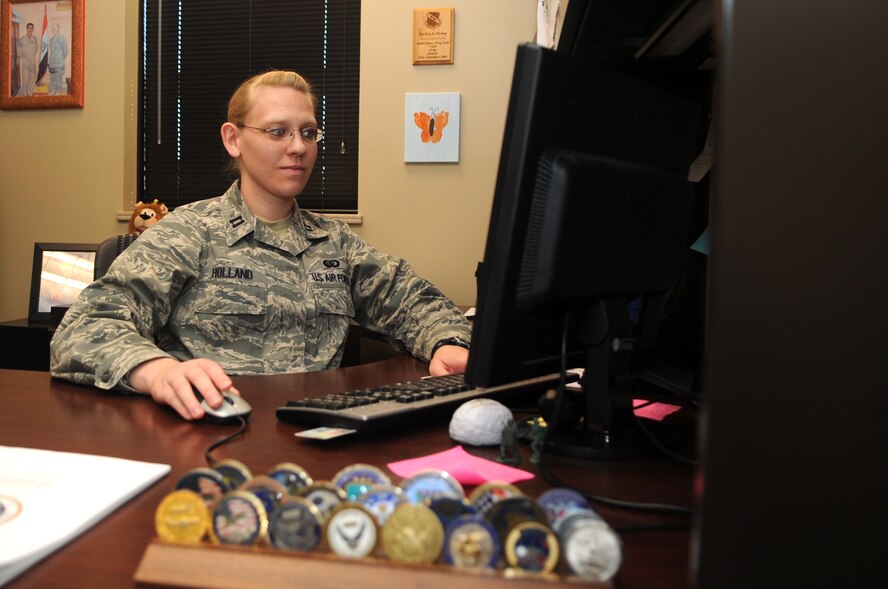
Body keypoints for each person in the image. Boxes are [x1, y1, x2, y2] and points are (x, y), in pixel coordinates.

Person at [50, 70, 471, 421]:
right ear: (233, 139)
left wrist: (446, 342)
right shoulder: (188, 233)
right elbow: (85, 328)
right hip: (211, 432)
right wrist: (156, 370)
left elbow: (412, 300)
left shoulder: (334, 242)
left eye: (308, 132)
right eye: (278, 131)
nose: (298, 147)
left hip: (317, 431)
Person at [15, 23, 38, 97]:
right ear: (27, 29)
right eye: (29, 28)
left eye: (31, 28)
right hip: (25, 61)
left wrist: (31, 56)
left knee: (32, 78)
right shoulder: (22, 39)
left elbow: (35, 49)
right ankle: (25, 94)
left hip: (32, 60)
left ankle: (30, 93)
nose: (30, 29)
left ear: (33, 29)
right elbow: (19, 50)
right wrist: (23, 57)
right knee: (25, 79)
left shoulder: (34, 39)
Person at [48, 23, 68, 95]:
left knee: (58, 78)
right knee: (52, 77)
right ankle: (53, 90)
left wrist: (60, 58)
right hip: (52, 62)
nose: (54, 29)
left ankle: (58, 91)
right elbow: (51, 51)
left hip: (59, 63)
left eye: (56, 28)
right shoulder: (51, 40)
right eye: (53, 28)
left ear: (58, 29)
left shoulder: (62, 39)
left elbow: (65, 51)